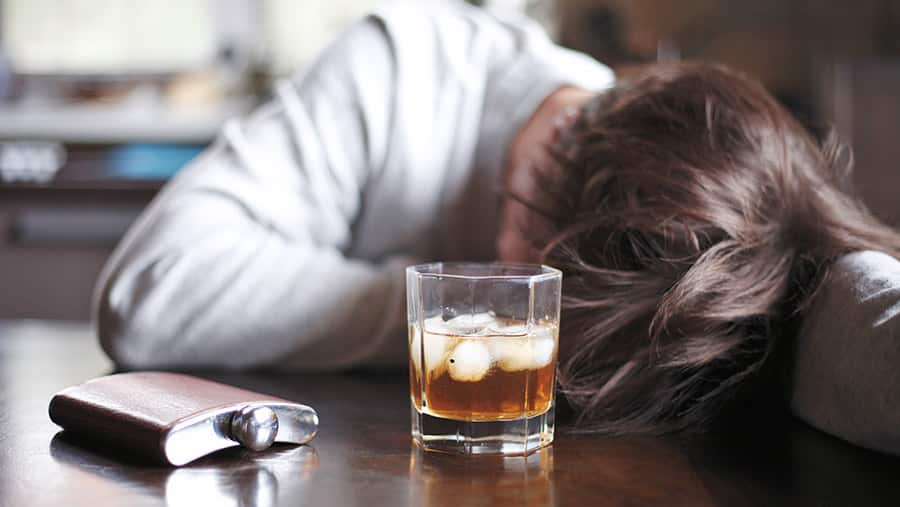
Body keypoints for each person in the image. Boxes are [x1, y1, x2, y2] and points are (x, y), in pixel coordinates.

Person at [95, 0, 900, 449]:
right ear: (555, 142)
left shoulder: (709, 247)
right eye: (530, 271)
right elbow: (149, 291)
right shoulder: (404, 71)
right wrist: (452, 317)